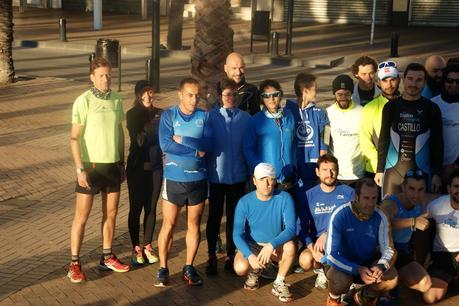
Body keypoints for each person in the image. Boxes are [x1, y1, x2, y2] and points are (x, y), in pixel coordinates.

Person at [68, 57, 129, 283]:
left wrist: (122, 163)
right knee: (81, 217)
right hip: (90, 167)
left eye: (108, 74)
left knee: (111, 213)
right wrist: (79, 170)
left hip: (112, 166)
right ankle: (74, 263)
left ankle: (107, 256)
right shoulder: (83, 101)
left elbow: (119, 132)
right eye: (101, 75)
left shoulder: (116, 99)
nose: (106, 79)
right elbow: (74, 138)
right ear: (92, 78)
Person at [155, 77, 212, 287]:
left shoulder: (204, 117)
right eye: (190, 95)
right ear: (180, 95)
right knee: (168, 225)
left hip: (198, 179)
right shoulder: (169, 115)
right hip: (174, 180)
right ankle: (163, 267)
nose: (194, 99)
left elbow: (208, 143)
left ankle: (189, 266)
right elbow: (166, 145)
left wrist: (186, 140)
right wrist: (195, 150)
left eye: (197, 95)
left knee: (194, 225)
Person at [324, 178, 398, 306]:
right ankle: (334, 299)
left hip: (367, 263)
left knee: (392, 277)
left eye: (374, 198)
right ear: (357, 197)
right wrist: (357, 269)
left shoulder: (381, 216)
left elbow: (389, 249)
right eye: (366, 198)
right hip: (342, 264)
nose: (370, 203)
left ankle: (363, 296)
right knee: (340, 280)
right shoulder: (340, 214)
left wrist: (380, 266)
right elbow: (331, 255)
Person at [375, 63, 444, 197]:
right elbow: (383, 139)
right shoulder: (391, 107)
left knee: (421, 216)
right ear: (403, 79)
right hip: (393, 172)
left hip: (422, 173)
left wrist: (436, 173)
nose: (413, 84)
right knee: (389, 213)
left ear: (424, 83)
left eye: (419, 80)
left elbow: (437, 143)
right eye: (410, 79)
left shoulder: (432, 108)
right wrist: (379, 169)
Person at [205, 78, 250, 275]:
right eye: (226, 94)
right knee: (214, 217)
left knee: (234, 219)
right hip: (216, 178)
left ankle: (231, 254)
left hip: (238, 177)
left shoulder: (246, 118)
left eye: (233, 94)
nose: (230, 98)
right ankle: (211, 255)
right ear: (219, 96)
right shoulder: (211, 117)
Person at [233, 163, 296, 303]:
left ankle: (279, 282)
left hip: (274, 246)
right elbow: (237, 234)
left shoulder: (285, 198)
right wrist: (250, 256)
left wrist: (271, 245)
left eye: (270, 179)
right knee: (240, 268)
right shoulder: (244, 202)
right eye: (262, 179)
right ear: (254, 181)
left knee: (290, 246)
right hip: (253, 245)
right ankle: (255, 271)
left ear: (275, 181)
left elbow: (291, 229)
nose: (267, 183)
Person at [297, 154, 355, 289]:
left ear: (338, 171)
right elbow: (301, 227)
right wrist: (312, 248)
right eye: (324, 170)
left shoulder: (349, 193)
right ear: (317, 172)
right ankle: (321, 270)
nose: (329, 174)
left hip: (342, 241)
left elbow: (352, 221)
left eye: (333, 169)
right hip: (319, 244)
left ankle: (346, 275)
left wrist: (328, 233)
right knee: (305, 260)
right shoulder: (309, 195)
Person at [126, 80, 163, 266]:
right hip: (137, 168)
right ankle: (136, 247)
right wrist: (155, 132)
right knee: (136, 208)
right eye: (145, 92)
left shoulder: (161, 113)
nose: (149, 95)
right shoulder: (132, 114)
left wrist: (152, 133)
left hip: (156, 167)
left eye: (150, 91)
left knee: (151, 208)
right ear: (138, 95)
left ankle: (148, 245)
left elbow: (165, 136)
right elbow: (139, 141)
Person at [380, 170, 434, 297]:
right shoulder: (390, 203)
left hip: (403, 251)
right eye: (411, 188)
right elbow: (383, 225)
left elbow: (446, 199)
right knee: (388, 283)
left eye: (420, 189)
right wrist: (413, 222)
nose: (416, 194)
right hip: (383, 251)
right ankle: (368, 292)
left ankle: (396, 281)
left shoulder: (423, 201)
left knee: (425, 284)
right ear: (403, 187)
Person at [244, 79, 296, 192]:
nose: (271, 99)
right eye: (266, 96)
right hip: (266, 181)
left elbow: (295, 144)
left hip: (289, 179)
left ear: (280, 95)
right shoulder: (255, 121)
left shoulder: (289, 116)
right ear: (261, 98)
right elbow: (248, 149)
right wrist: (262, 171)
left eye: (275, 94)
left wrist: (295, 166)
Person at [286, 72, 329, 192]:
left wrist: (323, 168)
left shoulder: (320, 112)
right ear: (305, 91)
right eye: (314, 89)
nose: (317, 92)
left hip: (314, 166)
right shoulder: (287, 112)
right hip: (295, 166)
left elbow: (326, 137)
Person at [423, 169, 459, 304]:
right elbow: (421, 221)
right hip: (443, 254)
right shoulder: (437, 205)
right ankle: (450, 279)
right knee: (430, 298)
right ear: (449, 189)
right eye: (456, 186)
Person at [360, 61, 400, 178]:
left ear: (399, 79)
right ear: (378, 82)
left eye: (392, 79)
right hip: (376, 169)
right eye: (385, 80)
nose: (389, 84)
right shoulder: (369, 108)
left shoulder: (406, 104)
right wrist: (381, 165)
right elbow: (365, 142)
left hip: (402, 166)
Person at [326, 74, 365, 186]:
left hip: (358, 174)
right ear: (334, 94)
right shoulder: (328, 113)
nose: (343, 97)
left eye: (347, 94)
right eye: (339, 94)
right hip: (336, 174)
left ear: (352, 93)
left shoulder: (362, 112)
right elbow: (325, 142)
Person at [431, 63, 459, 179]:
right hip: (433, 168)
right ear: (443, 81)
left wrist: (455, 165)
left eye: (458, 81)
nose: (454, 85)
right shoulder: (432, 104)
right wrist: (436, 170)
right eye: (449, 80)